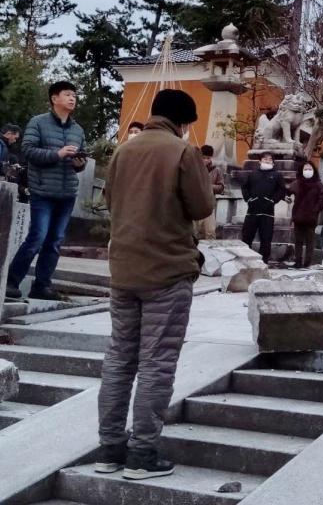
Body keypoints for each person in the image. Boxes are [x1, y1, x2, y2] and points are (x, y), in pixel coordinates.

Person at [96, 89, 214, 481]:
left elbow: (111, 202)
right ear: (182, 122)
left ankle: (110, 448)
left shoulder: (123, 151)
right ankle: (142, 453)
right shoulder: (183, 152)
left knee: (119, 359)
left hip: (124, 271)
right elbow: (202, 207)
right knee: (156, 363)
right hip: (166, 270)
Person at [5, 82, 87, 302]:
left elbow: (82, 162)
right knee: (37, 237)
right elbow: (28, 151)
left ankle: (42, 285)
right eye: (67, 94)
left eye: (74, 95)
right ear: (54, 98)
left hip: (67, 192)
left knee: (55, 241)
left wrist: (79, 163)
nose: (72, 98)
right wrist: (58, 154)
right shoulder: (38, 122)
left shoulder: (77, 129)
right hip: (42, 190)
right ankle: (11, 282)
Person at [241, 152, 286, 262]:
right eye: (265, 159)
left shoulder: (277, 175)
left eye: (270, 160)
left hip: (267, 212)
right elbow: (244, 187)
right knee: (246, 237)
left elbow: (281, 190)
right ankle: (245, 259)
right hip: (252, 211)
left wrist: (273, 200)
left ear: (273, 163)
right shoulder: (253, 174)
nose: (267, 161)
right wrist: (249, 199)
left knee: (266, 239)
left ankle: (263, 261)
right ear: (260, 161)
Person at [289, 160, 323, 268]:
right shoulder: (297, 183)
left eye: (310, 169)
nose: (307, 171)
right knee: (298, 241)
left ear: (314, 171)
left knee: (310, 241)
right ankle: (298, 261)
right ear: (301, 171)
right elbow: (287, 191)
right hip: (298, 216)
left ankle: (307, 262)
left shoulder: (318, 184)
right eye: (305, 169)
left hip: (311, 217)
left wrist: (316, 209)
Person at [194, 145, 224, 240]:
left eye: (208, 158)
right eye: (203, 158)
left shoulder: (216, 170)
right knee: (195, 232)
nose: (206, 160)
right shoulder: (194, 169)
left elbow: (221, 187)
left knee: (210, 232)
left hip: (208, 205)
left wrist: (208, 186)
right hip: (194, 204)